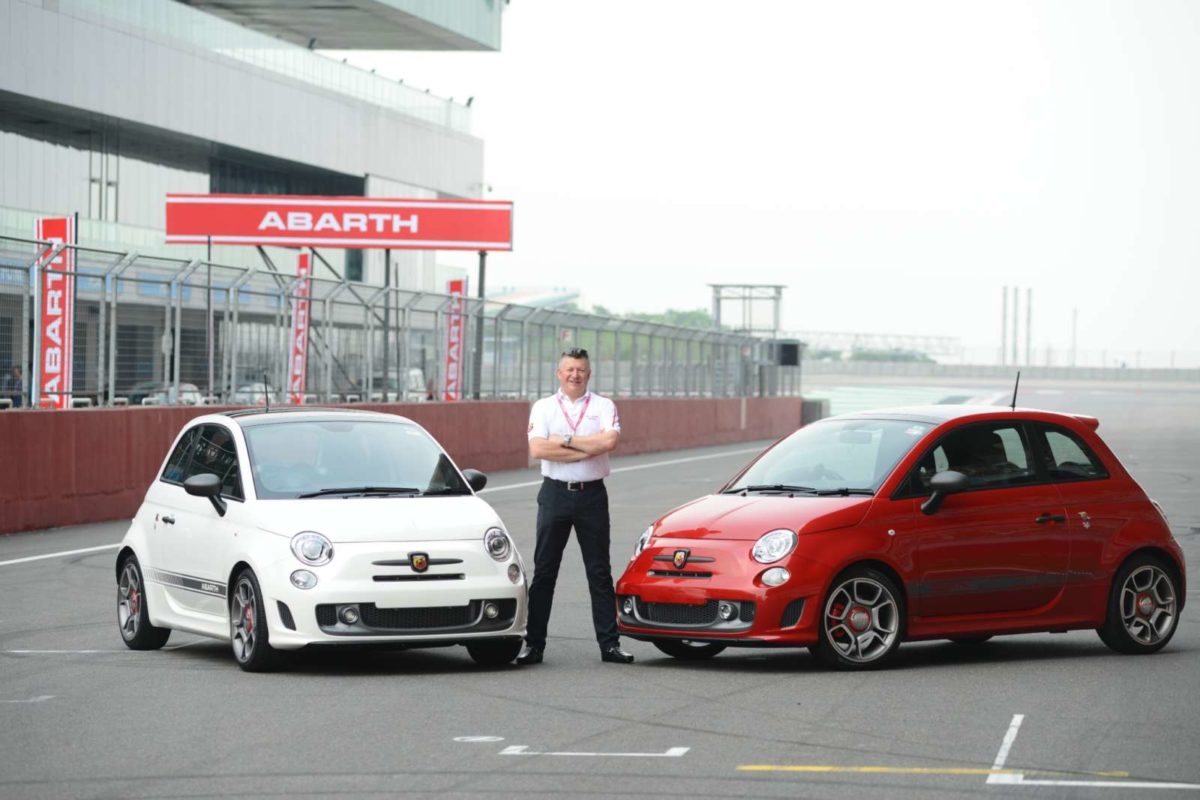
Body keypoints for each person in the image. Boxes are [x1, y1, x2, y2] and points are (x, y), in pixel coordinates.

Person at [517, 347, 633, 666]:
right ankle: (534, 644)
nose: (574, 374)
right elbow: (538, 448)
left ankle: (609, 645)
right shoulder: (543, 407)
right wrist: (585, 446)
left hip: (591, 496)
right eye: (569, 369)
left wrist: (564, 441)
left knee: (599, 572)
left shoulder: (603, 405)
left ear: (589, 374)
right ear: (559, 373)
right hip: (554, 494)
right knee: (545, 571)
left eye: (580, 369)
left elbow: (608, 443)